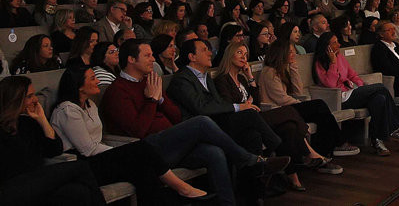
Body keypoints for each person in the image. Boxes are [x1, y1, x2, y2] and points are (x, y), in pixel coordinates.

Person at [101, 39, 291, 206]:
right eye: (147, 55)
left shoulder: (150, 81)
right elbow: (138, 131)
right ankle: (250, 161)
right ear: (131, 60)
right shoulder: (117, 91)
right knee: (202, 122)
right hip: (149, 152)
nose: (153, 59)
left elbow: (175, 116)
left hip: (172, 142)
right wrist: (151, 101)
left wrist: (160, 99)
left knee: (214, 152)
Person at [49, 66, 213, 204]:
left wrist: (122, 152)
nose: (98, 81)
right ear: (79, 86)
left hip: (99, 156)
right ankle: (182, 188)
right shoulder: (67, 110)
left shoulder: (90, 104)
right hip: (82, 164)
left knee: (143, 170)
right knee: (139, 149)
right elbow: (87, 149)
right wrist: (122, 151)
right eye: (92, 78)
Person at [213, 40, 337, 191]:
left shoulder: (241, 79)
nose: (243, 57)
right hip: (243, 120)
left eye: (245, 54)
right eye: (239, 53)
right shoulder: (222, 79)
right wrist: (245, 105)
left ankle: (294, 177)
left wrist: (250, 78)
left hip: (254, 116)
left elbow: (256, 102)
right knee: (289, 111)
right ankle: (306, 151)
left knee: (289, 127)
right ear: (229, 55)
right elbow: (228, 104)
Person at [0, 75, 112, 206]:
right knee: (80, 166)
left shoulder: (27, 123)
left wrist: (42, 120)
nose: (36, 100)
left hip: (37, 182)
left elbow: (55, 149)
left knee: (79, 192)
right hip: (11, 188)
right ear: (15, 99)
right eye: (29, 96)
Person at [166, 38, 285, 157]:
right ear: (192, 57)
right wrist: (240, 107)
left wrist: (249, 80)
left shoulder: (206, 77)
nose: (210, 53)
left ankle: (260, 169)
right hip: (201, 128)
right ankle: (279, 148)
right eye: (204, 50)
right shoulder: (182, 79)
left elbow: (219, 102)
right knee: (251, 115)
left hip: (220, 120)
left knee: (253, 135)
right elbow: (200, 107)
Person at [313, 32, 399, 156]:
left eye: (338, 41)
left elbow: (352, 74)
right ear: (326, 46)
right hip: (339, 98)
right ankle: (397, 127)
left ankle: (378, 141)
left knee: (379, 99)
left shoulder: (340, 57)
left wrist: (359, 86)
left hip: (352, 91)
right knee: (381, 87)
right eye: (334, 43)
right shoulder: (320, 62)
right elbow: (331, 84)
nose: (338, 44)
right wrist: (332, 63)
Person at [258, 39, 359, 159]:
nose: (294, 54)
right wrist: (301, 103)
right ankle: (335, 144)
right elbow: (281, 99)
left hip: (287, 107)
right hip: (278, 110)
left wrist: (294, 68)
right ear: (281, 53)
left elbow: (297, 91)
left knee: (321, 115)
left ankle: (326, 149)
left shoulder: (282, 70)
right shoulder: (270, 72)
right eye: (290, 52)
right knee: (318, 105)